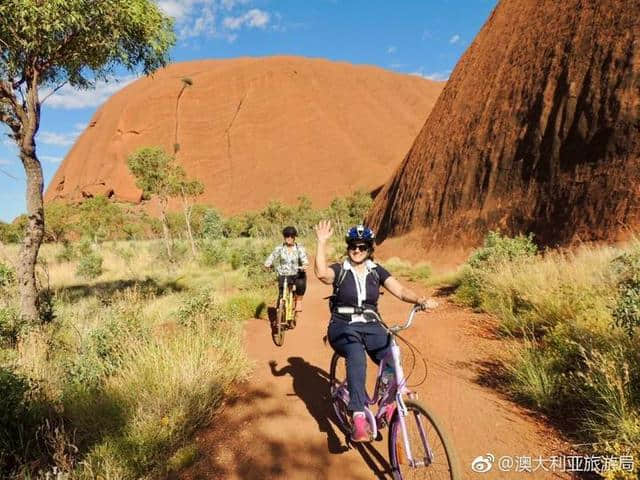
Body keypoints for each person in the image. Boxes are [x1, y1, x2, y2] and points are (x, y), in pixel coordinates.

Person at [314, 220, 437, 443]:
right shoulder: (341, 269)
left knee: (391, 352)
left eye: (362, 247)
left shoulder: (375, 270)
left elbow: (399, 290)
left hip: (371, 325)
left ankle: (388, 401)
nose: (357, 251)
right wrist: (321, 242)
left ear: (370, 249)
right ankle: (358, 415)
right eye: (353, 246)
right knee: (356, 354)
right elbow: (322, 274)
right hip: (343, 325)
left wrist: (420, 300)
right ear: (348, 248)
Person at [264, 226, 309, 312]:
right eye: (287, 236)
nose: (289, 238)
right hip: (283, 273)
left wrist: (304, 265)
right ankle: (280, 309)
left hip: (297, 273)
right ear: (284, 237)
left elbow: (304, 259)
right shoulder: (279, 248)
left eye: (291, 236)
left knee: (301, 283)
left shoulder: (299, 248)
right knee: (281, 292)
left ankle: (299, 301)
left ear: (294, 237)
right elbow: (272, 256)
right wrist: (267, 264)